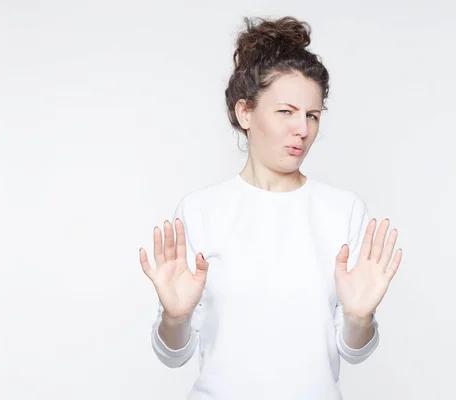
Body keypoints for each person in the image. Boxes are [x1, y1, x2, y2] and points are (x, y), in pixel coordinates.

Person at [139, 15, 403, 400]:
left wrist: (360, 319)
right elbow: (173, 354)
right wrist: (175, 317)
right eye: (286, 111)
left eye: (312, 115)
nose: (303, 129)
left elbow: (354, 350)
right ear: (246, 113)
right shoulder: (201, 210)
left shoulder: (342, 210)